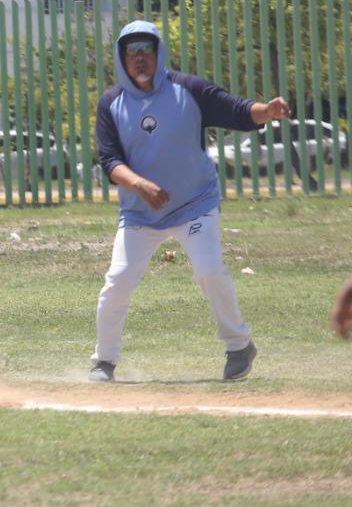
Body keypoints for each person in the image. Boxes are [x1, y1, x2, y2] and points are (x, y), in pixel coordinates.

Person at [89, 21, 290, 383]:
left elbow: (237, 109)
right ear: (121, 58)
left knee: (209, 269)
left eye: (146, 49)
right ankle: (104, 360)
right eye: (131, 51)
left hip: (194, 203)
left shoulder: (189, 89)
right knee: (118, 281)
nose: (139, 58)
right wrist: (140, 185)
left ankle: (239, 346)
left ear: (159, 53)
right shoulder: (111, 103)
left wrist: (267, 111)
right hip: (140, 213)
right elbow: (109, 160)